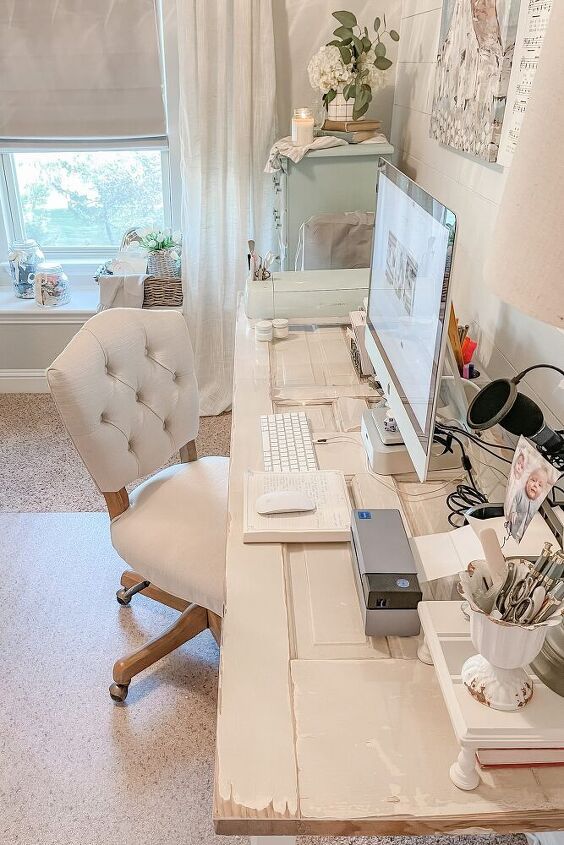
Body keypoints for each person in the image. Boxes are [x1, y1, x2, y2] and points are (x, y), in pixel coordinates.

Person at [508, 466, 549, 542]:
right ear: (527, 481)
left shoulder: (538, 503)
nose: (535, 485)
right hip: (514, 528)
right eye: (533, 480)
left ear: (542, 491)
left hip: (527, 533)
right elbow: (514, 502)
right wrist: (513, 511)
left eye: (540, 485)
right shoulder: (521, 493)